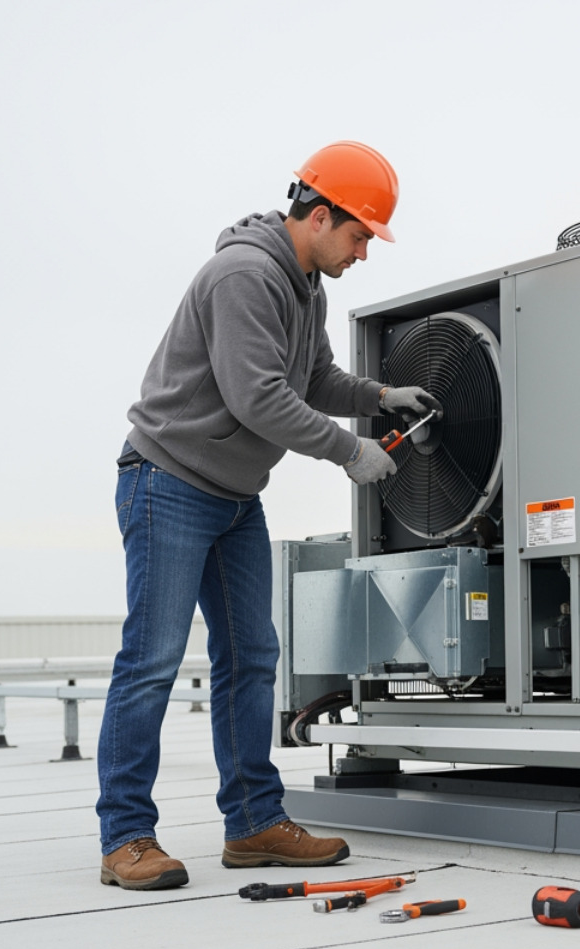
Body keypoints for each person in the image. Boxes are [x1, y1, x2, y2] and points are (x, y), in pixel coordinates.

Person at [97, 141, 439, 890]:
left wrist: (381, 400)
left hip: (231, 495)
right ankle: (125, 837)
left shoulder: (305, 285)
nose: (363, 253)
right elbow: (258, 396)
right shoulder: (245, 276)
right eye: (359, 236)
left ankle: (253, 824)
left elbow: (311, 377)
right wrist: (350, 452)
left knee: (252, 660)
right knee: (151, 662)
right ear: (319, 217)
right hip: (168, 483)